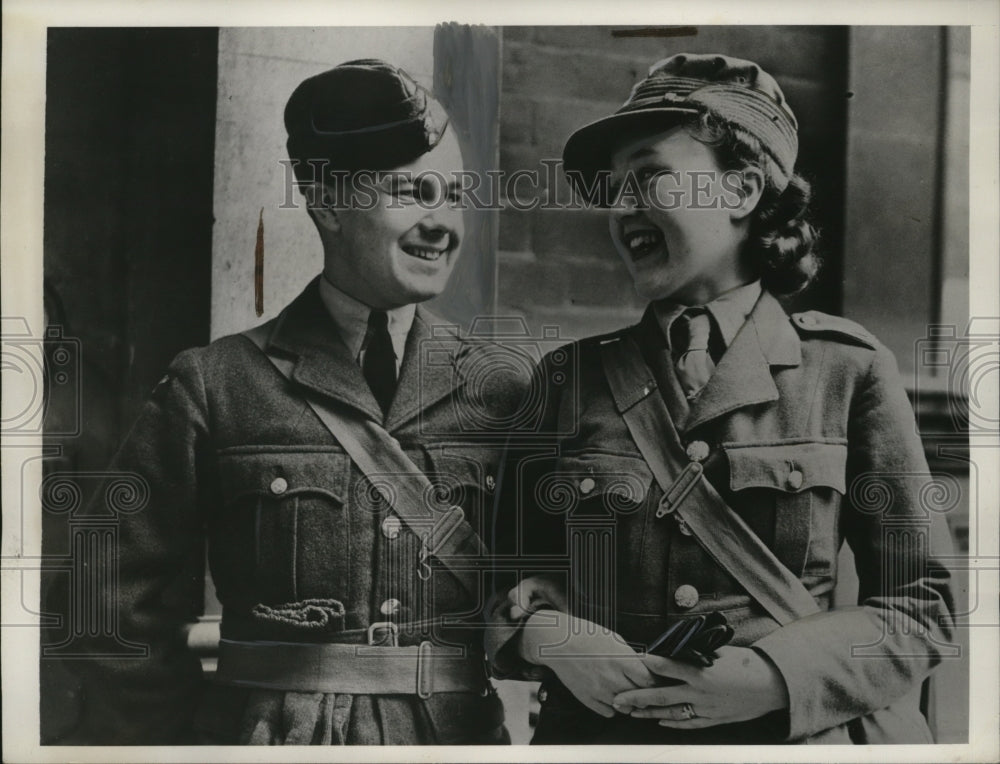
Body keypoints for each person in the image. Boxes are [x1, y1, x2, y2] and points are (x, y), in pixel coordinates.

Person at [486, 53, 957, 745]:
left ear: (739, 191)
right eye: (614, 188)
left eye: (648, 176)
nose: (620, 209)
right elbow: (489, 589)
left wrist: (776, 676)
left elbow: (926, 605)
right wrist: (545, 637)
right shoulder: (567, 379)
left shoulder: (845, 370)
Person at [69, 59, 528, 745]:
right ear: (327, 203)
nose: (442, 223)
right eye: (411, 191)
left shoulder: (504, 390)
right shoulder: (215, 385)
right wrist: (184, 738)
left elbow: (562, 594)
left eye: (454, 194)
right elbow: (105, 602)